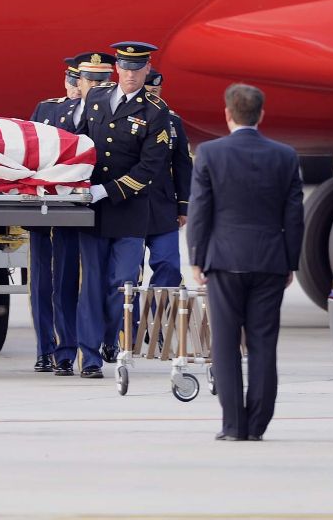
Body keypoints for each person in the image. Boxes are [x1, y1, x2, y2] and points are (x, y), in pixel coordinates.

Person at [187, 83, 304, 442]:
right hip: (270, 261)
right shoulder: (285, 156)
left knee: (224, 344)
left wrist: (196, 257)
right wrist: (291, 262)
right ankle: (257, 425)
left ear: (227, 114)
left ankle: (233, 425)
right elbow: (295, 215)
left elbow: (200, 211)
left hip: (223, 260)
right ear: (261, 114)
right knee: (263, 345)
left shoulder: (210, 153)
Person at [74, 42, 170, 378]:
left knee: (122, 283)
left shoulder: (156, 112)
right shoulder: (96, 99)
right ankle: (89, 357)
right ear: (117, 69)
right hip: (93, 212)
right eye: (126, 68)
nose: (130, 75)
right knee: (91, 286)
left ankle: (110, 338)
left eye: (137, 68)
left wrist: (107, 191)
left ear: (147, 70)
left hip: (129, 211)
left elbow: (150, 168)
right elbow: (81, 142)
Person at [26, 57, 84, 374]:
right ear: (65, 82)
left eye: (82, 81)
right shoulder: (46, 110)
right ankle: (44, 349)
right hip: (43, 209)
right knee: (40, 284)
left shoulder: (97, 112)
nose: (76, 88)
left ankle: (66, 349)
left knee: (68, 282)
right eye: (73, 81)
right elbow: (29, 148)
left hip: (75, 212)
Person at [143, 69, 192, 289]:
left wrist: (184, 205)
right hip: (128, 204)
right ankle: (129, 322)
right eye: (149, 91)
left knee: (170, 266)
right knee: (128, 272)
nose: (154, 95)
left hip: (163, 205)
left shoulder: (172, 121)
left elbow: (182, 164)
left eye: (157, 90)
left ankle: (155, 318)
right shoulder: (119, 118)